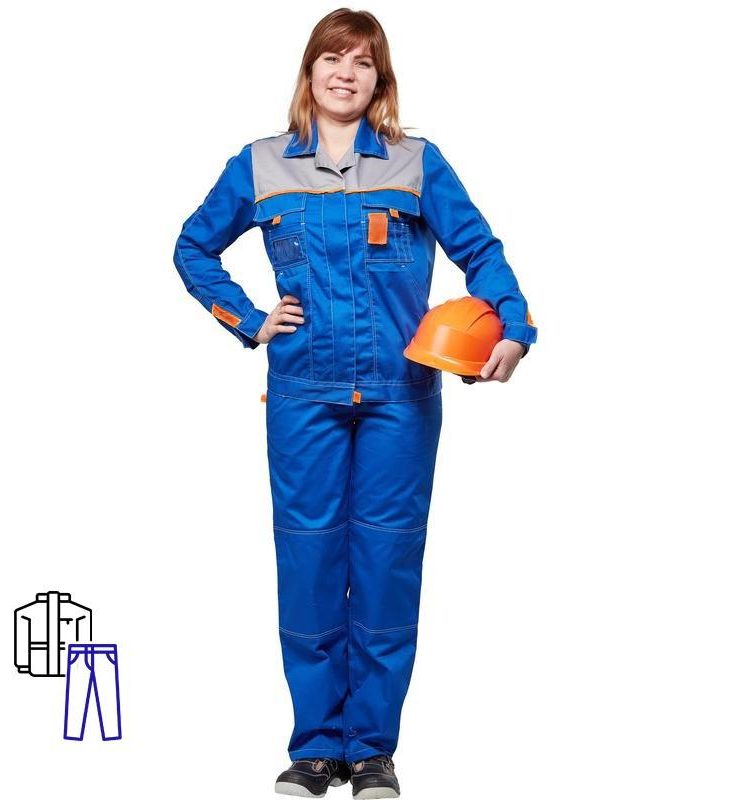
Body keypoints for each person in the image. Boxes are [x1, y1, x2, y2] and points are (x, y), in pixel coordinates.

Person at [173, 9, 537, 798]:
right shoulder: (261, 164)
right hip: (303, 395)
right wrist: (248, 319)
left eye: (363, 62)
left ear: (380, 79)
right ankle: (314, 750)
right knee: (308, 567)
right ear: (309, 72)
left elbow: (480, 249)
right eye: (332, 58)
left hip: (400, 397)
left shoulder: (416, 162)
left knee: (385, 570)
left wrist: (514, 326)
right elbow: (192, 246)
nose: (346, 73)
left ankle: (370, 751)